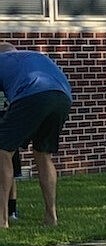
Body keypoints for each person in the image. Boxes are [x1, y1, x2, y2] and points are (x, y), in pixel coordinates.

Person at [0, 42, 72, 228]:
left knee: (2, 151)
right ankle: (51, 217)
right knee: (43, 153)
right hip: (62, 96)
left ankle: (2, 220)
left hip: (32, 94)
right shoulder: (33, 55)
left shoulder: (1, 60)